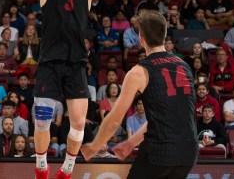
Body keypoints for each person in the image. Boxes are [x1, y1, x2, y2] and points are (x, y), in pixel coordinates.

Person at [31, 0, 123, 179]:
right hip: (50, 62)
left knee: (79, 124)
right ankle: (41, 165)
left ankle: (68, 167)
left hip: (76, 64)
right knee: (42, 119)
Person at [81, 10, 198, 179]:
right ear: (164, 36)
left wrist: (94, 146)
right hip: (188, 152)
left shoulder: (139, 72)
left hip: (160, 152)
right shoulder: (183, 65)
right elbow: (165, 116)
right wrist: (131, 142)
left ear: (141, 39)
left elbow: (114, 118)